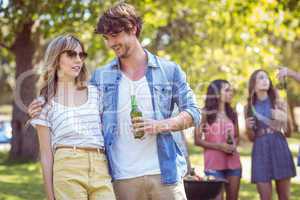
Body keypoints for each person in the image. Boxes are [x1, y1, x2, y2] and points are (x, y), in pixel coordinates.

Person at [29, 3, 200, 200]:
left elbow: (194, 112)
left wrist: (161, 125)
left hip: (165, 175)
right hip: (121, 178)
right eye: (106, 38)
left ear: (133, 28)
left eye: (115, 35)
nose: (110, 43)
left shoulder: (169, 71)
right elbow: (75, 105)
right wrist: (40, 105)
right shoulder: (101, 77)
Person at [29, 34, 115, 200]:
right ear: (56, 58)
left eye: (81, 55)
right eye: (71, 54)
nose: (78, 60)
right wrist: (50, 195)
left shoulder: (96, 93)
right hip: (67, 167)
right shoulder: (44, 103)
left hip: (100, 166)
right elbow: (46, 155)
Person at [245, 69, 296, 200]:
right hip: (260, 150)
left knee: (284, 196)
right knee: (265, 196)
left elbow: (289, 133)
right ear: (254, 84)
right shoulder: (249, 107)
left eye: (267, 78)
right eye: (261, 78)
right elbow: (251, 138)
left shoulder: (279, 102)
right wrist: (248, 128)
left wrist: (285, 117)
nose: (265, 80)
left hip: (279, 146)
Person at [194, 79, 241, 200]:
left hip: (233, 163)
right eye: (227, 90)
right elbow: (197, 140)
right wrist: (220, 146)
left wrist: (233, 145)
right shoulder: (204, 113)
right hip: (213, 164)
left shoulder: (232, 113)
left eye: (231, 90)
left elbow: (237, 136)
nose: (231, 92)